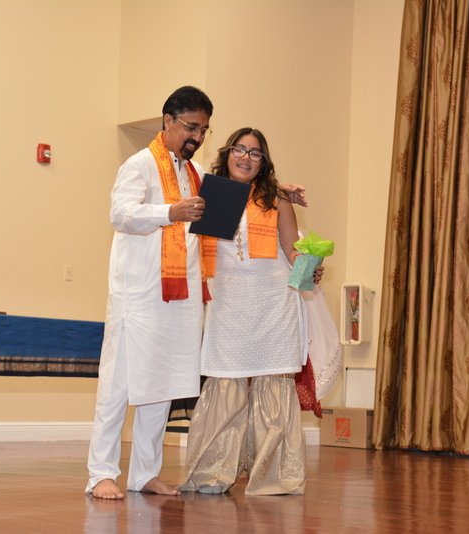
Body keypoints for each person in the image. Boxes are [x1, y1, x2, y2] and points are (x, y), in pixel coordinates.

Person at [86, 89, 307, 500]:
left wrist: (280, 189)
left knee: (163, 386)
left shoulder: (195, 174)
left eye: (204, 130)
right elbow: (120, 213)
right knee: (118, 384)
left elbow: (239, 188)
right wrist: (169, 212)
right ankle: (101, 473)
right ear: (168, 121)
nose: (197, 137)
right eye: (191, 127)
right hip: (139, 295)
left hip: (181, 297)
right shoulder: (139, 164)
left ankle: (144, 474)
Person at [178, 127, 311, 495]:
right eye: (240, 149)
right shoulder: (209, 193)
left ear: (262, 162)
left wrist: (310, 265)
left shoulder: (277, 200)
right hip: (228, 303)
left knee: (274, 382)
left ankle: (276, 475)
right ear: (228, 153)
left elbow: (292, 250)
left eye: (255, 153)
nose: (246, 158)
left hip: (274, 302)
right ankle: (211, 471)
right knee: (225, 379)